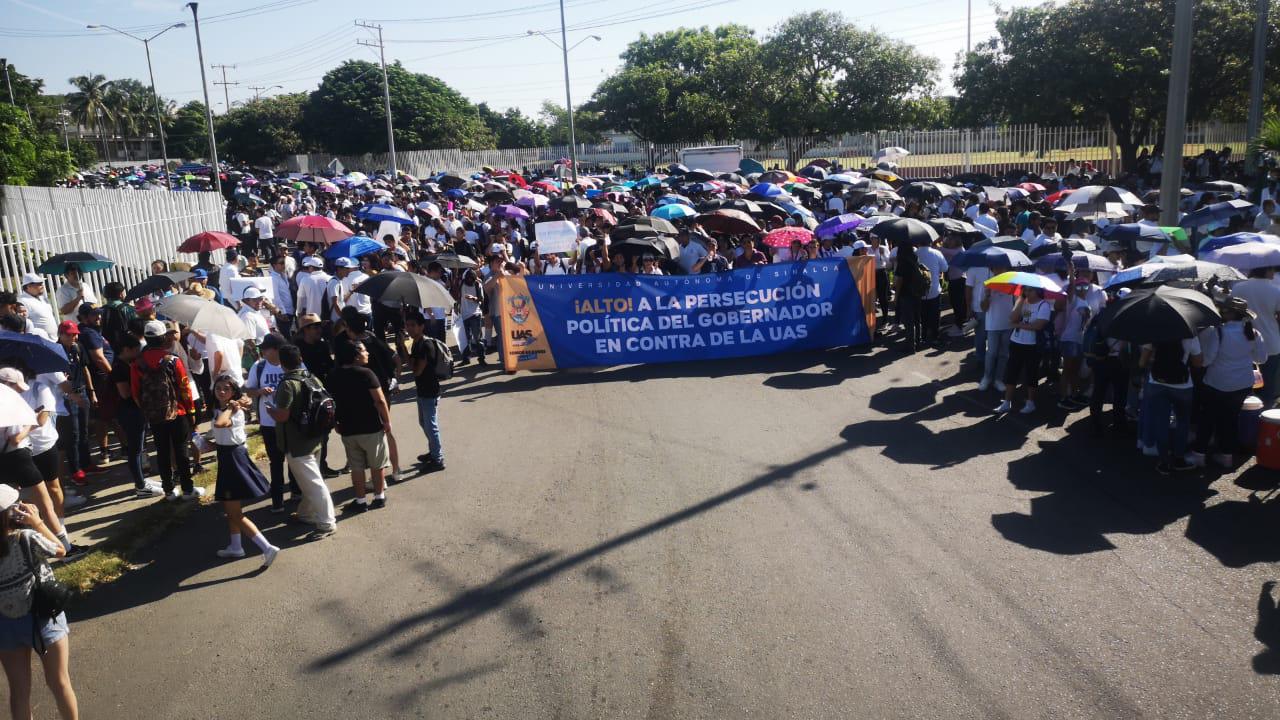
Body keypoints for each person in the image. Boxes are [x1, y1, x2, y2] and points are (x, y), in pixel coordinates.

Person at [0, 486, 77, 720]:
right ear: (11, 513)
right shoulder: (27, 538)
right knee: (59, 682)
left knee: (19, 692)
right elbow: (61, 550)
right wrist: (38, 522)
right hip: (42, 616)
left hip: (5, 622)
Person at [267, 344, 337, 540]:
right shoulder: (311, 377)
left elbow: (282, 415)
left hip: (297, 443)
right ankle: (306, 514)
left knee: (314, 484)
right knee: (309, 481)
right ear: (300, 359)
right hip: (314, 437)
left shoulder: (287, 384)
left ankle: (326, 523)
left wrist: (270, 410)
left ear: (282, 363)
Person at [1189, 297, 1268, 468]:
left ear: (1227, 313)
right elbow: (1261, 358)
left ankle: (1199, 454)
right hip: (1242, 383)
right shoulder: (1253, 333)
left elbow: (1208, 360)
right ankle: (1226, 455)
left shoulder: (1219, 332)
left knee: (1208, 418)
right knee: (1230, 419)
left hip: (1217, 382)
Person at [209, 375, 279, 566]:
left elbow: (220, 424)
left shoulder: (234, 412)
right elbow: (220, 437)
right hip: (226, 456)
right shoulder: (220, 410)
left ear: (234, 392)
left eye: (226, 389)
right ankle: (236, 546)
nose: (221, 391)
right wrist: (203, 445)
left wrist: (233, 407)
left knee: (234, 513)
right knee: (231, 507)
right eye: (218, 388)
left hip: (234, 460)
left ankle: (267, 547)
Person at [130, 320, 203, 501]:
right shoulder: (173, 360)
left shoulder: (136, 363)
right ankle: (187, 489)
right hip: (177, 412)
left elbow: (135, 392)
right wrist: (191, 411)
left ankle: (169, 490)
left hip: (154, 415)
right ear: (163, 338)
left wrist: (148, 410)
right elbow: (185, 388)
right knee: (181, 450)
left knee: (162, 451)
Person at [327, 341, 393, 513]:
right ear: (356, 355)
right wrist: (386, 420)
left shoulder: (333, 375)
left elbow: (330, 404)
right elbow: (380, 400)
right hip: (371, 427)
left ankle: (360, 500)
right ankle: (379, 497)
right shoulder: (366, 374)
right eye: (364, 351)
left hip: (348, 429)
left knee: (356, 467)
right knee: (377, 464)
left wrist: (335, 423)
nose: (367, 353)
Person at [1138, 331, 1203, 474]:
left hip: (1157, 383)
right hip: (1183, 385)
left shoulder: (1155, 333)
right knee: (1183, 422)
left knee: (1161, 421)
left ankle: (1163, 461)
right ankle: (1179, 458)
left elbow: (1142, 362)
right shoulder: (1190, 336)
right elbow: (1198, 363)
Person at [111, 335, 163, 498]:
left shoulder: (128, 364)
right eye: (135, 350)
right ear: (126, 350)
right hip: (129, 412)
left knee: (139, 448)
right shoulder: (119, 367)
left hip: (136, 411)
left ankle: (143, 479)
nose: (139, 353)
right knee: (134, 450)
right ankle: (140, 485)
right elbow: (125, 393)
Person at [1226, 267, 1280, 407]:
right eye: (1272, 269)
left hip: (1241, 341)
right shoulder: (1276, 291)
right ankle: (1263, 419)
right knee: (1267, 387)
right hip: (1271, 343)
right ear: (1266, 270)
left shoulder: (1238, 288)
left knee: (1243, 385)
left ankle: (1244, 416)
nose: (1273, 272)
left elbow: (1231, 311)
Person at [996, 285, 1052, 415]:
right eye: (1025, 290)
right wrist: (1020, 299)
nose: (1027, 292)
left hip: (1033, 345)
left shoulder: (1044, 305)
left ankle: (1030, 402)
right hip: (1016, 342)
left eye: (1030, 290)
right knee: (1012, 372)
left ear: (1038, 291)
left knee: (1031, 374)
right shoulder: (1022, 302)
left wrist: (1019, 325)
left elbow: (1039, 325)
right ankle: (1006, 402)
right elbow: (1012, 318)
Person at [405, 312, 446, 471]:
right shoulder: (416, 343)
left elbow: (416, 371)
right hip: (422, 390)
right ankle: (433, 451)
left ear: (421, 326)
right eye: (408, 325)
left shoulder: (425, 345)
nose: (409, 328)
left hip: (429, 391)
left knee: (431, 425)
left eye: (413, 325)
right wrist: (403, 347)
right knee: (424, 423)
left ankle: (438, 459)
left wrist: (404, 350)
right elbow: (412, 366)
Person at [893, 244, 928, 353]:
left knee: (908, 322)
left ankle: (910, 346)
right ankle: (918, 342)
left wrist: (896, 296)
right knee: (917, 319)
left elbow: (899, 281)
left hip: (906, 294)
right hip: (917, 292)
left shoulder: (902, 262)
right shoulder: (915, 258)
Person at [16, 274, 55, 340]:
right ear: (28, 286)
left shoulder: (44, 299)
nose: (42, 286)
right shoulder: (22, 301)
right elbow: (23, 324)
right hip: (40, 341)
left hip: (54, 340)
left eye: (41, 283)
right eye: (39, 284)